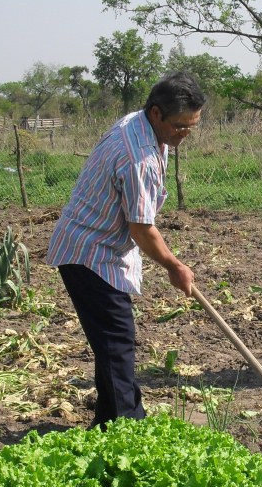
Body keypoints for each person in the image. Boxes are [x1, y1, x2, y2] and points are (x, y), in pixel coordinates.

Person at [45, 71, 205, 429]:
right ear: (156, 113)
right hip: (89, 252)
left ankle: (110, 421)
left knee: (112, 342)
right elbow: (142, 229)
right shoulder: (138, 157)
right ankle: (126, 427)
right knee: (116, 340)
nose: (185, 134)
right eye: (180, 126)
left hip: (100, 247)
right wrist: (174, 266)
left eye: (191, 126)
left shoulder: (139, 125)